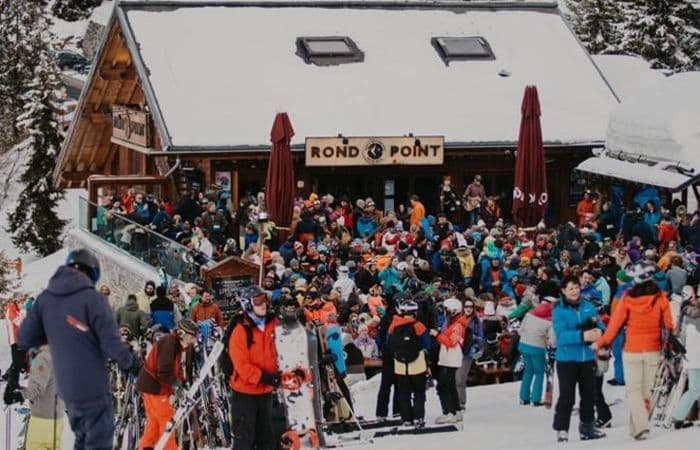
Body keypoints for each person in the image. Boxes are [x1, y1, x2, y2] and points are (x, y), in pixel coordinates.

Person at [18, 249, 137, 450]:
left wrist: (54, 332)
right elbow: (111, 344)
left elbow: (24, 337)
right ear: (92, 273)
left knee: (82, 438)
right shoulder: (94, 299)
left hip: (67, 389)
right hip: (92, 385)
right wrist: (132, 364)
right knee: (98, 440)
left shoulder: (45, 298)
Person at [594, 262, 674, 440]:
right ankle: (637, 426)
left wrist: (602, 342)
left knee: (634, 391)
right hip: (653, 350)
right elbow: (669, 326)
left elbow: (614, 326)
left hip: (632, 349)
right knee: (646, 391)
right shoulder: (661, 298)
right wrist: (668, 347)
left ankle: (640, 427)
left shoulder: (627, 299)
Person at [551, 274, 606, 443]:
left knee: (589, 393)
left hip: (587, 357)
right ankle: (562, 428)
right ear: (563, 291)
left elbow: (600, 325)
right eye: (570, 289)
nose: (574, 291)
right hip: (567, 359)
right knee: (567, 396)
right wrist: (582, 335)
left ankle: (587, 426)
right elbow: (561, 336)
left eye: (576, 287)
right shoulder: (559, 310)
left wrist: (599, 332)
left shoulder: (588, 306)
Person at [228, 285, 278, 450]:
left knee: (266, 438)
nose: (263, 304)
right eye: (257, 301)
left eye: (264, 299)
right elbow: (241, 365)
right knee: (244, 439)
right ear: (247, 304)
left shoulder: (273, 324)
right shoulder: (240, 331)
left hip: (266, 393)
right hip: (245, 393)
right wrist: (264, 377)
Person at [136, 319, 198, 450]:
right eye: (191, 336)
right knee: (167, 423)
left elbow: (176, 368)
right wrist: (176, 386)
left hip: (150, 387)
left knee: (153, 424)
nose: (193, 339)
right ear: (182, 333)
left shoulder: (176, 345)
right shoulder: (169, 344)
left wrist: (182, 382)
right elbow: (163, 371)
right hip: (155, 389)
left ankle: (146, 447)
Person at [3, 345, 64, 450]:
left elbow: (36, 389)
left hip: (42, 419)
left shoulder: (44, 358)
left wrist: (16, 396)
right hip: (56, 419)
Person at [388, 298, 430, 427]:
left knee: (403, 393)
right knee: (419, 392)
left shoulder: (393, 326)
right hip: (417, 364)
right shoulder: (419, 326)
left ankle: (406, 418)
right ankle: (419, 417)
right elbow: (426, 344)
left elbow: (388, 344)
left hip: (400, 365)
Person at [517, 296, 556, 406]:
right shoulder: (550, 321)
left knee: (528, 371)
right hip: (537, 348)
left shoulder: (529, 314)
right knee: (539, 372)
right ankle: (535, 398)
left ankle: (523, 397)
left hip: (523, 345)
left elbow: (520, 331)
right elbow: (553, 341)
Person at [670, 290, 700, 429]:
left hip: (691, 357)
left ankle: (678, 417)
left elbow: (680, 336)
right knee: (694, 389)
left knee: (694, 389)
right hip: (695, 356)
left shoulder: (687, 315)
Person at [434, 298, 466, 424]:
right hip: (447, 357)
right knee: (450, 385)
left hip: (452, 358)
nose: (444, 313)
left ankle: (449, 412)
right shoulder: (451, 323)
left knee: (443, 386)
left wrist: (437, 335)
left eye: (446, 310)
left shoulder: (458, 325)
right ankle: (456, 410)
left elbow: (451, 342)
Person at [455, 298, 482, 410]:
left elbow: (480, 337)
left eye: (471, 307)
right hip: (455, 352)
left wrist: (474, 344)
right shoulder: (457, 318)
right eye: (466, 306)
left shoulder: (476, 321)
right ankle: (455, 402)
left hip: (467, 354)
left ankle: (461, 403)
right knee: (455, 379)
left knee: (460, 380)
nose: (469, 309)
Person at [3, 294, 26, 391]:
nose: (22, 303)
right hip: (15, 340)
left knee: (18, 362)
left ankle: (9, 378)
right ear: (16, 301)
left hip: (20, 339)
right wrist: (23, 313)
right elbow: (19, 322)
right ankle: (12, 384)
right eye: (20, 301)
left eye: (23, 301)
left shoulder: (19, 309)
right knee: (17, 363)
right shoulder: (11, 309)